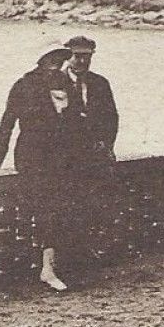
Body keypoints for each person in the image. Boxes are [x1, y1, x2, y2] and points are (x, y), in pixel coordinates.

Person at [0, 47, 75, 291]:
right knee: (42, 207)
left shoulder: (65, 84)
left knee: (58, 208)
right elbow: (7, 122)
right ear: (42, 61)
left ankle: (50, 266)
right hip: (33, 154)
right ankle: (45, 268)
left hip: (60, 156)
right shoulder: (24, 85)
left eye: (60, 60)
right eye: (52, 60)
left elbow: (75, 121)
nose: (56, 65)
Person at [60, 35, 119, 257]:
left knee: (93, 204)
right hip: (66, 157)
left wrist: (107, 144)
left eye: (87, 57)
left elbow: (111, 117)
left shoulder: (100, 83)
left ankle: (89, 249)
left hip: (93, 157)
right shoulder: (56, 82)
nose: (82, 62)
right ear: (68, 56)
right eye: (77, 56)